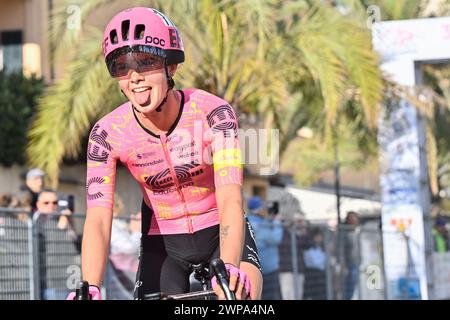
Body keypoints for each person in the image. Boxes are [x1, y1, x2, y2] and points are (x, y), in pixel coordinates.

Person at [73, 7, 262, 301]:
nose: (134, 76)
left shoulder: (213, 114)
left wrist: (229, 265)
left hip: (219, 228)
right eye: (121, 66)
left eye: (146, 62)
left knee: (238, 298)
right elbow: (98, 217)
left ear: (171, 67)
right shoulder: (107, 134)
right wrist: (91, 286)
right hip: (162, 241)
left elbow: (230, 197)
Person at [34, 189, 81, 300]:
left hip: (67, 280)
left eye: (55, 203)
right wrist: (60, 229)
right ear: (38, 205)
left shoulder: (60, 220)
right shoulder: (36, 222)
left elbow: (76, 245)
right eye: (46, 203)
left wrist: (69, 223)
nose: (51, 206)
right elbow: (52, 250)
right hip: (50, 283)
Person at [246, 196, 283, 300]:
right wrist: (277, 222)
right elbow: (276, 239)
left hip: (254, 267)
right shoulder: (260, 224)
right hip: (268, 269)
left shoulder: (248, 221)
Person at [303, 227, 327, 300]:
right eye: (317, 236)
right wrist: (325, 258)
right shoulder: (308, 248)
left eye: (320, 236)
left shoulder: (322, 248)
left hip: (321, 276)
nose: (319, 238)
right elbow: (315, 262)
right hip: (312, 276)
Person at [342, 211, 360, 300]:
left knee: (354, 288)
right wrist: (343, 265)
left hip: (357, 264)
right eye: (352, 219)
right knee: (348, 289)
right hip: (349, 266)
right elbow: (341, 250)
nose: (354, 221)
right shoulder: (344, 233)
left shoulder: (357, 233)